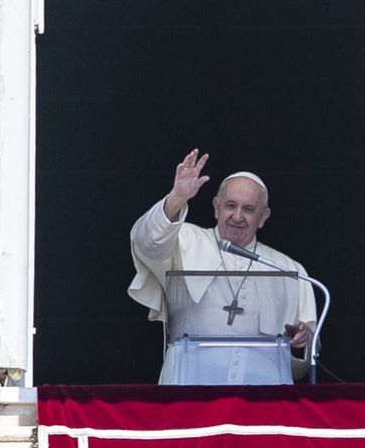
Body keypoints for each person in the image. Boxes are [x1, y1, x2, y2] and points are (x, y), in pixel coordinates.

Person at [129, 149, 317, 384]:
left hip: (263, 392)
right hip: (190, 384)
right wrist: (177, 197)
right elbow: (146, 241)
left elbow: (304, 358)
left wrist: (302, 341)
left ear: (263, 216)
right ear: (216, 207)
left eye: (248, 209)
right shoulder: (184, 240)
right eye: (230, 205)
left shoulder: (291, 270)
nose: (237, 216)